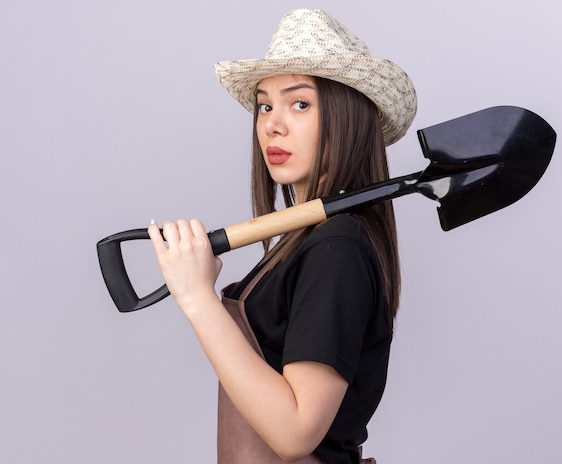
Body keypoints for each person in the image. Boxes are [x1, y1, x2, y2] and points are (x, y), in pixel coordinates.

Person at [148, 8, 417, 464]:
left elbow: (295, 432)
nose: (272, 123)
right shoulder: (305, 241)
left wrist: (198, 298)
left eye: (300, 103)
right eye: (265, 105)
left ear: (347, 115)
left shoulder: (338, 247)